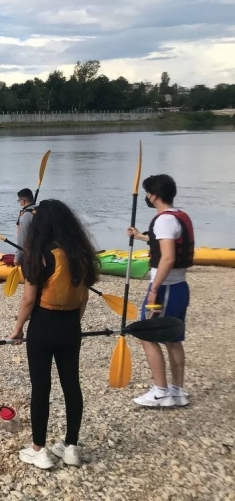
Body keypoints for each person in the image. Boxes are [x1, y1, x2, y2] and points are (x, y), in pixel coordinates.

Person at [10, 199, 98, 470]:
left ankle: (39, 450)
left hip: (43, 326)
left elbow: (28, 299)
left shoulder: (39, 255)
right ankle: (71, 447)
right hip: (71, 326)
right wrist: (74, 323)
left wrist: (18, 329)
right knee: (72, 385)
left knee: (41, 387)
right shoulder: (80, 254)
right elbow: (82, 297)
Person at [127, 174, 193, 408]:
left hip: (164, 288)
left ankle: (160, 391)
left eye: (147, 192)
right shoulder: (179, 216)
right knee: (173, 339)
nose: (146, 197)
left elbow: (167, 258)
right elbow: (165, 244)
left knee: (147, 335)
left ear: (154, 195)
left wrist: (154, 289)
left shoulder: (164, 220)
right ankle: (177, 391)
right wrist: (142, 237)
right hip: (179, 287)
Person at [15, 188, 36, 265]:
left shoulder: (26, 216)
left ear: (23, 201)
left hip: (30, 252)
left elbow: (22, 237)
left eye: (19, 201)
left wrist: (17, 256)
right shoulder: (39, 210)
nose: (19, 203)